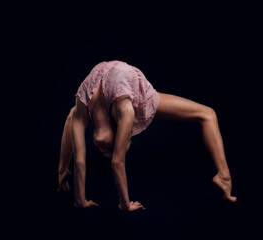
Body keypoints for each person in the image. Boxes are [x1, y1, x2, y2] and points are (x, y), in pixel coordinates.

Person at [57, 60, 237, 212]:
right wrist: (121, 204)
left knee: (208, 114)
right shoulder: (122, 109)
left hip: (118, 80)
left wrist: (122, 203)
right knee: (208, 114)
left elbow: (114, 162)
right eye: (110, 148)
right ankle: (224, 176)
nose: (103, 149)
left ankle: (224, 175)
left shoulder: (84, 102)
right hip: (122, 81)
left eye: (106, 149)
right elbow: (89, 160)